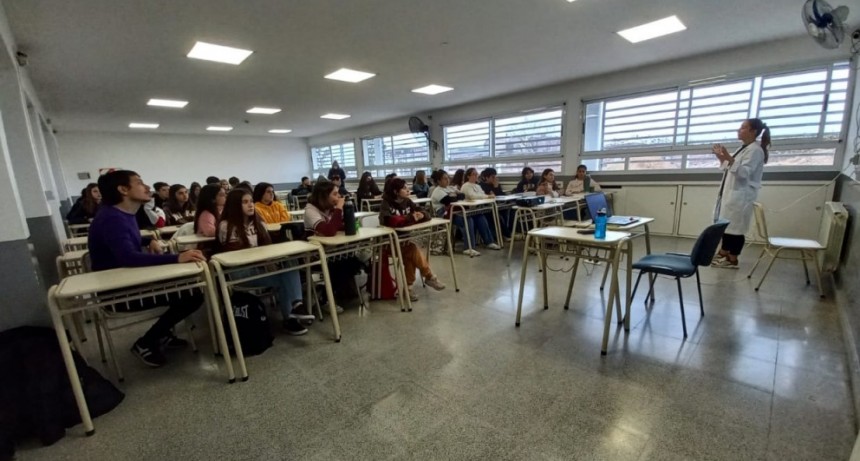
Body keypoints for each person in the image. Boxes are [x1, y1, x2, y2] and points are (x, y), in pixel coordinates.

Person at [88, 170, 206, 367]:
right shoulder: (111, 218)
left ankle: (162, 334)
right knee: (192, 294)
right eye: (139, 183)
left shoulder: (124, 214)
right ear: (123, 189)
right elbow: (128, 257)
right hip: (120, 294)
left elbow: (124, 242)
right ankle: (147, 342)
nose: (147, 187)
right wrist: (177, 257)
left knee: (189, 287)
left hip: (133, 282)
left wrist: (149, 239)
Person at [217, 189, 311, 334]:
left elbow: (266, 247)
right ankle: (291, 317)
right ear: (235, 205)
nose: (250, 205)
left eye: (251, 202)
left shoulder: (258, 222)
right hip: (240, 272)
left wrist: (270, 261)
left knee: (290, 263)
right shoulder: (226, 226)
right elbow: (238, 256)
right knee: (284, 277)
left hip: (260, 267)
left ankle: (297, 305)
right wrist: (266, 262)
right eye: (245, 202)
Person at [711, 118, 769, 269]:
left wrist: (729, 157)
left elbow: (744, 173)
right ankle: (724, 254)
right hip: (731, 194)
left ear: (753, 131)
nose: (739, 130)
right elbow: (730, 168)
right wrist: (721, 158)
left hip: (741, 196)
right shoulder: (744, 147)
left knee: (736, 230)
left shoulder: (755, 150)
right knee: (727, 227)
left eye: (743, 128)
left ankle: (732, 259)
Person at [380, 178, 446, 301]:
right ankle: (429, 277)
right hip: (388, 243)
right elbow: (389, 221)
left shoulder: (407, 201)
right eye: (404, 188)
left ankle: (408, 289)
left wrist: (421, 215)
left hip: (404, 241)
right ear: (396, 191)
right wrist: (411, 217)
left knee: (410, 255)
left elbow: (425, 213)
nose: (408, 190)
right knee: (412, 249)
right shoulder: (386, 203)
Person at [304, 181, 362, 311]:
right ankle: (325, 299)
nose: (338, 197)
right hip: (315, 255)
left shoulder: (329, 208)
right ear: (324, 195)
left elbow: (340, 226)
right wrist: (339, 209)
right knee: (342, 263)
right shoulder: (310, 210)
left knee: (353, 260)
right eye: (335, 194)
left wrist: (347, 215)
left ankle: (339, 292)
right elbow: (330, 231)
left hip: (333, 250)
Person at [431, 170, 495, 256]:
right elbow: (448, 201)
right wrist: (456, 196)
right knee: (467, 219)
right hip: (445, 214)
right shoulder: (437, 191)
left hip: (456, 211)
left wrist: (455, 196)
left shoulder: (450, 188)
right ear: (438, 181)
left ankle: (489, 242)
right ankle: (468, 248)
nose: (447, 180)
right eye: (444, 179)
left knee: (479, 216)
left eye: (448, 178)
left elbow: (462, 195)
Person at [459, 168, 502, 250]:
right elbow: (473, 196)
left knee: (482, 219)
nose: (475, 176)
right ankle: (470, 247)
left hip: (475, 210)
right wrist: (487, 196)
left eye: (476, 174)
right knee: (471, 220)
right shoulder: (465, 185)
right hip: (466, 210)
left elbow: (482, 194)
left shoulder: (478, 186)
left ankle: (489, 242)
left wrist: (486, 196)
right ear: (468, 176)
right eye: (473, 174)